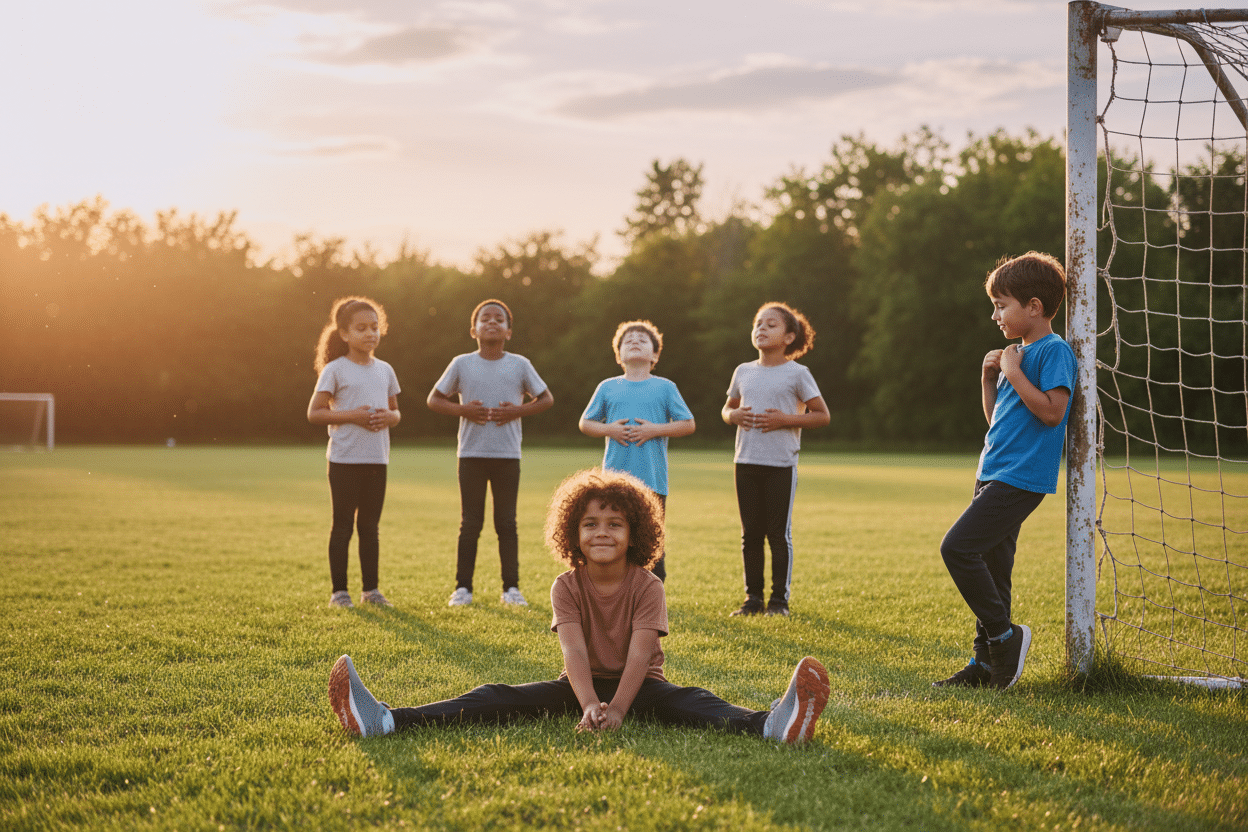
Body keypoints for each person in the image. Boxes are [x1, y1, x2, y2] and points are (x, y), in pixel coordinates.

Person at [328, 468, 831, 742]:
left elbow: (639, 656)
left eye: (615, 523)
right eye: (590, 523)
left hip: (643, 687)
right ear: (573, 532)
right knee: (495, 695)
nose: (602, 532)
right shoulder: (565, 585)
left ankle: (770, 724)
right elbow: (572, 652)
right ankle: (389, 721)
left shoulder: (648, 585)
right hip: (580, 684)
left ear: (636, 532)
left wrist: (619, 709)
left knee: (693, 702)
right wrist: (590, 703)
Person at [934, 252, 1076, 691]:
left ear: (1034, 307)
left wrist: (1012, 371)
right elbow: (999, 419)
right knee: (995, 569)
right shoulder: (1018, 353)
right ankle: (986, 664)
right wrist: (988, 378)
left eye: (1002, 305)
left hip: (1020, 477)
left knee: (957, 548)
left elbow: (1053, 413)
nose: (995, 314)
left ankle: (1004, 637)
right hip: (992, 471)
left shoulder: (1053, 350)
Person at [427, 299, 553, 607]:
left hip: (507, 455)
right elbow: (434, 399)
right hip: (470, 455)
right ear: (474, 330)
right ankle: (463, 589)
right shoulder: (461, 363)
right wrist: (463, 410)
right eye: (485, 318)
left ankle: (511, 588)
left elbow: (546, 398)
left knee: (506, 523)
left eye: (499, 319)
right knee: (470, 523)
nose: (492, 322)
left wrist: (518, 411)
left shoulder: (519, 364)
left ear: (509, 332)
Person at [721, 302, 830, 618]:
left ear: (789, 336)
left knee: (777, 534)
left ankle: (778, 602)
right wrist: (733, 415)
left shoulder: (797, 373)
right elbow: (727, 409)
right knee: (750, 534)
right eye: (758, 323)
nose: (761, 329)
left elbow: (822, 416)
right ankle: (752, 600)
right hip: (746, 461)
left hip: (781, 465)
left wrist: (785, 419)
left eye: (770, 324)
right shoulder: (743, 371)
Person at [578, 320, 695, 581]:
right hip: (615, 480)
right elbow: (586, 423)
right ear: (619, 355)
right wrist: (610, 430)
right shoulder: (608, 386)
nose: (634, 341)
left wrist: (655, 430)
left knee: (651, 544)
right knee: (616, 539)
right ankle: (617, 594)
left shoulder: (665, 387)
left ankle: (651, 600)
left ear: (654, 355)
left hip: (652, 481)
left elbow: (688, 424)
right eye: (627, 340)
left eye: (642, 339)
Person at [307, 296, 401, 609]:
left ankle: (371, 591)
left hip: (377, 459)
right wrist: (353, 415)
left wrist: (389, 418)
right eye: (361, 328)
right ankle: (339, 593)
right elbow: (315, 413)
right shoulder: (335, 370)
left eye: (374, 327)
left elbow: (396, 413)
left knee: (370, 528)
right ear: (344, 334)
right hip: (344, 460)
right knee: (343, 526)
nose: (369, 333)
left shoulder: (385, 370)